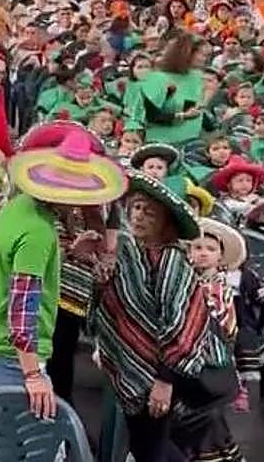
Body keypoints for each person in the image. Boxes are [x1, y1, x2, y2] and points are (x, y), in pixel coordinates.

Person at [0, 129, 125, 417]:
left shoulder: (16, 208)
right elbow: (22, 310)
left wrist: (68, 254)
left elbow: (19, 269)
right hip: (15, 357)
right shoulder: (39, 233)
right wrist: (33, 375)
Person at [91, 172, 229, 462]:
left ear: (166, 222)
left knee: (153, 449)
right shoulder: (131, 252)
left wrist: (164, 382)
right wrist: (92, 262)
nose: (139, 216)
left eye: (149, 212)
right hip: (134, 371)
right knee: (145, 447)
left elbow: (181, 326)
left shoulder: (171, 261)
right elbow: (114, 304)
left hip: (162, 376)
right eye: (136, 208)